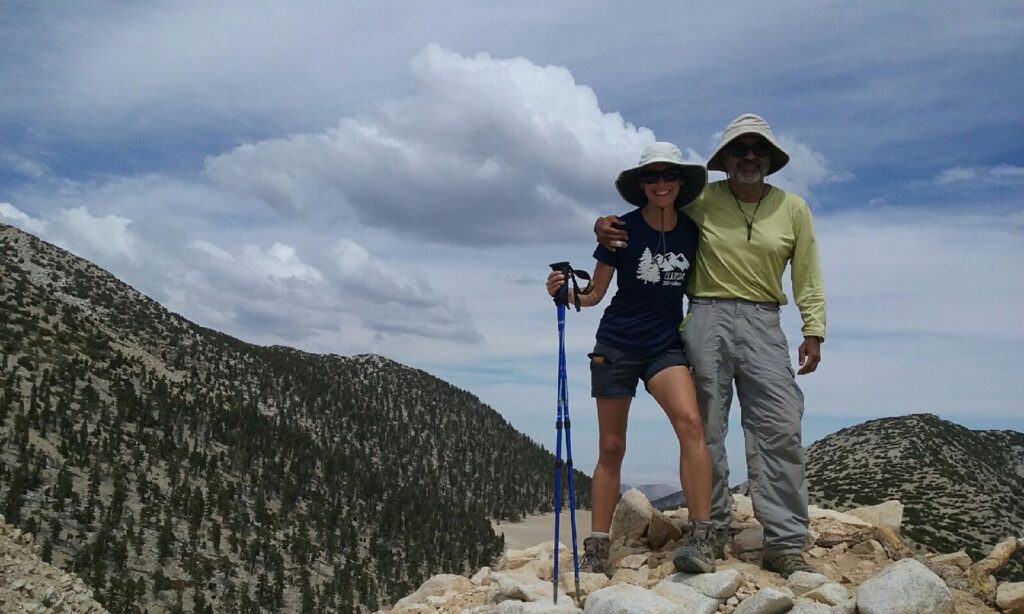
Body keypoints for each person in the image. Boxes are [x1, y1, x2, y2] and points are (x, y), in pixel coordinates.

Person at [595, 114, 826, 577]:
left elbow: (807, 272)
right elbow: (648, 219)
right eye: (739, 150)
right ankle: (711, 531)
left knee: (779, 426)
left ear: (769, 159)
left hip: (764, 319)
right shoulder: (700, 202)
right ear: (725, 159)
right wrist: (604, 228)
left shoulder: (794, 208)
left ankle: (784, 542)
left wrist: (813, 329)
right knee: (707, 428)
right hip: (704, 315)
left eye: (757, 149)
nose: (748, 157)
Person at [546, 142, 717, 575]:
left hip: (664, 346)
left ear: (680, 182)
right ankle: (599, 546)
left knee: (691, 424)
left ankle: (702, 535)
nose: (660, 184)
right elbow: (594, 293)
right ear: (641, 184)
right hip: (617, 344)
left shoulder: (693, 231)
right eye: (651, 177)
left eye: (667, 176)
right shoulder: (620, 230)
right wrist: (562, 292)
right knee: (611, 446)